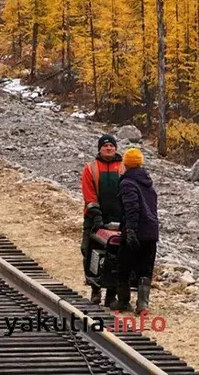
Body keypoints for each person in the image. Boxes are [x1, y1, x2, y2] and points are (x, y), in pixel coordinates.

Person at [110, 148, 159, 314]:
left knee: (123, 266)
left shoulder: (127, 183)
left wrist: (130, 230)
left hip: (136, 231)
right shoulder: (148, 183)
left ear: (126, 164)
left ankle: (123, 301)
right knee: (145, 268)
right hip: (151, 232)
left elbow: (132, 208)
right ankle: (142, 305)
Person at [81, 134, 123, 306]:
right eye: (105, 146)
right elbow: (89, 194)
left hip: (118, 219)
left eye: (111, 145)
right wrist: (96, 214)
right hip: (94, 218)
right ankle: (95, 289)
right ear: (100, 148)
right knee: (90, 252)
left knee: (116, 255)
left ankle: (112, 294)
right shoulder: (90, 168)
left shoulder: (123, 168)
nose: (108, 148)